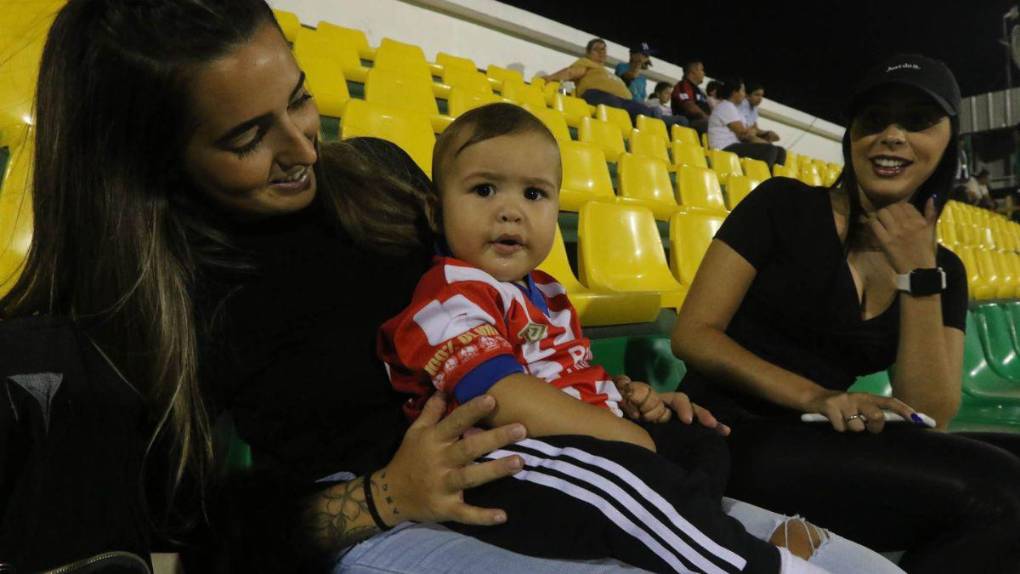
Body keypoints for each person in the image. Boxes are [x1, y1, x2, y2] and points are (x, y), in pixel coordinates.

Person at [4, 2, 692, 573]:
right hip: (382, 515)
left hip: (533, 463)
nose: (305, 147)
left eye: (299, 98)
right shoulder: (158, 302)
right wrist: (384, 498)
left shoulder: (381, 178)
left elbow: (495, 319)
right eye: (248, 137)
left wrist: (602, 394)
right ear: (155, 159)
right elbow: (196, 542)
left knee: (747, 536)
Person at [378, 102, 907, 574]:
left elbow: (571, 374)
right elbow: (503, 394)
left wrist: (624, 398)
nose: (510, 210)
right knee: (624, 482)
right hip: (503, 462)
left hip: (578, 445)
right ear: (436, 211)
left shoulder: (545, 291)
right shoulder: (449, 295)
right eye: (484, 189)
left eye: (534, 194)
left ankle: (691, 524)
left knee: (701, 441)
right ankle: (758, 565)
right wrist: (619, 434)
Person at [672, 54, 1020, 573]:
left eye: (918, 121)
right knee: (1001, 491)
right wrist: (817, 396)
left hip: (824, 441)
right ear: (851, 135)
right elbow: (694, 334)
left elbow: (930, 411)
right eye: (874, 120)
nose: (892, 135)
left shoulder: (940, 267)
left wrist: (917, 276)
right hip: (727, 433)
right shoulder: (781, 205)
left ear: (950, 141)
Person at [544, 38, 688, 128]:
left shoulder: (606, 71)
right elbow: (570, 73)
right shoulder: (586, 62)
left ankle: (661, 120)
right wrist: (549, 78)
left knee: (642, 110)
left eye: (604, 50)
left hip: (624, 100)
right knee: (615, 105)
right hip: (598, 94)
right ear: (588, 52)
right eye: (597, 49)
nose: (602, 52)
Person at [708, 77, 787, 169]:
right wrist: (763, 142)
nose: (744, 95)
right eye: (742, 91)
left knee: (780, 151)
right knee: (769, 150)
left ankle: (772, 178)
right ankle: (762, 178)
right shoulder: (726, 106)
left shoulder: (735, 109)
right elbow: (744, 134)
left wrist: (757, 137)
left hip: (735, 145)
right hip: (723, 148)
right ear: (734, 92)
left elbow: (749, 132)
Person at [671, 59, 711, 133]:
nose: (704, 73)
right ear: (693, 71)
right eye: (701, 70)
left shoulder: (700, 91)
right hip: (689, 123)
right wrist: (707, 118)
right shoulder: (683, 85)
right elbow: (689, 106)